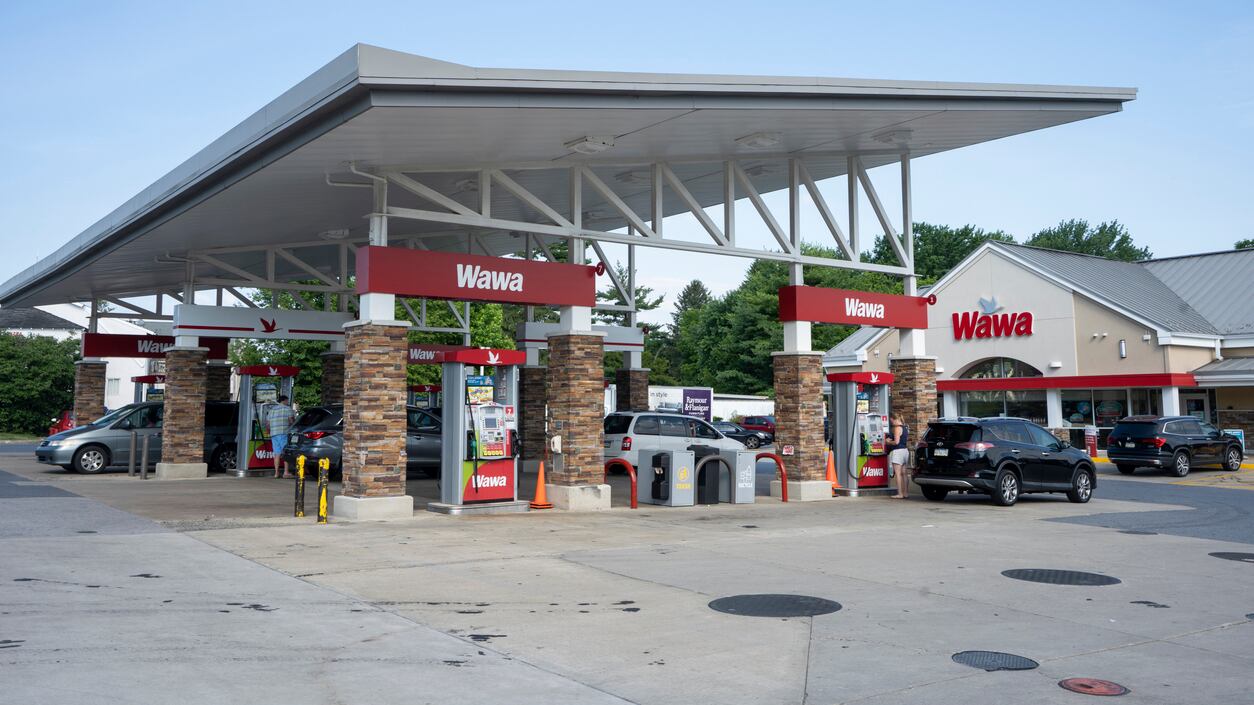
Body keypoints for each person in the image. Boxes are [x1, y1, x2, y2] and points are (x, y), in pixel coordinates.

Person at [264, 395, 298, 479]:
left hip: (274, 434)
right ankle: (286, 472)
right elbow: (291, 421)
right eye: (287, 400)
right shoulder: (287, 409)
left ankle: (276, 473)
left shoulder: (272, 410)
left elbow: (267, 424)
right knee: (285, 453)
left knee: (277, 453)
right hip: (283, 433)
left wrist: (269, 431)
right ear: (285, 400)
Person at [886, 413, 910, 499]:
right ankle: (905, 493)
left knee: (898, 474)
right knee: (904, 473)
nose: (891, 422)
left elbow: (896, 442)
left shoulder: (896, 428)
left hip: (898, 451)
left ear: (893, 419)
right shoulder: (905, 427)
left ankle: (900, 493)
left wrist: (888, 442)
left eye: (891, 420)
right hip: (905, 451)